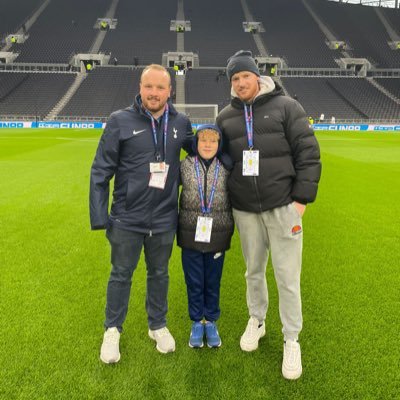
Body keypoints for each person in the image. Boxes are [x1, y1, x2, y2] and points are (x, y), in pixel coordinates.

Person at [216, 50, 321, 380]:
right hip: (245, 211)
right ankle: (257, 321)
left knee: (287, 277)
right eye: (235, 78)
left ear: (257, 77)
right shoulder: (224, 117)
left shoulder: (287, 106)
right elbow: (219, 162)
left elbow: (308, 152)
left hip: (282, 207)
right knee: (253, 272)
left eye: (245, 76)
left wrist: (300, 201)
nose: (241, 82)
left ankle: (292, 339)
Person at [90, 64, 194, 363]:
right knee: (121, 274)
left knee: (159, 274)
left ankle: (157, 325)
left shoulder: (181, 122)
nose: (154, 93)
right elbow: (101, 170)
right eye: (148, 86)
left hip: (164, 219)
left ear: (169, 91)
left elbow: (202, 151)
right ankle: (112, 330)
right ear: (140, 87)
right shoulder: (119, 121)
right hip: (126, 218)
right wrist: (100, 217)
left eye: (160, 87)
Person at [177, 125, 234, 349]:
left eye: (213, 141)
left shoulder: (227, 167)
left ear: (219, 146)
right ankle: (196, 322)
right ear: (195, 144)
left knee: (212, 281)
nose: (208, 145)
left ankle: (210, 321)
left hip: (218, 234)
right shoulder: (185, 166)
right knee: (193, 281)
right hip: (190, 233)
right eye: (203, 141)